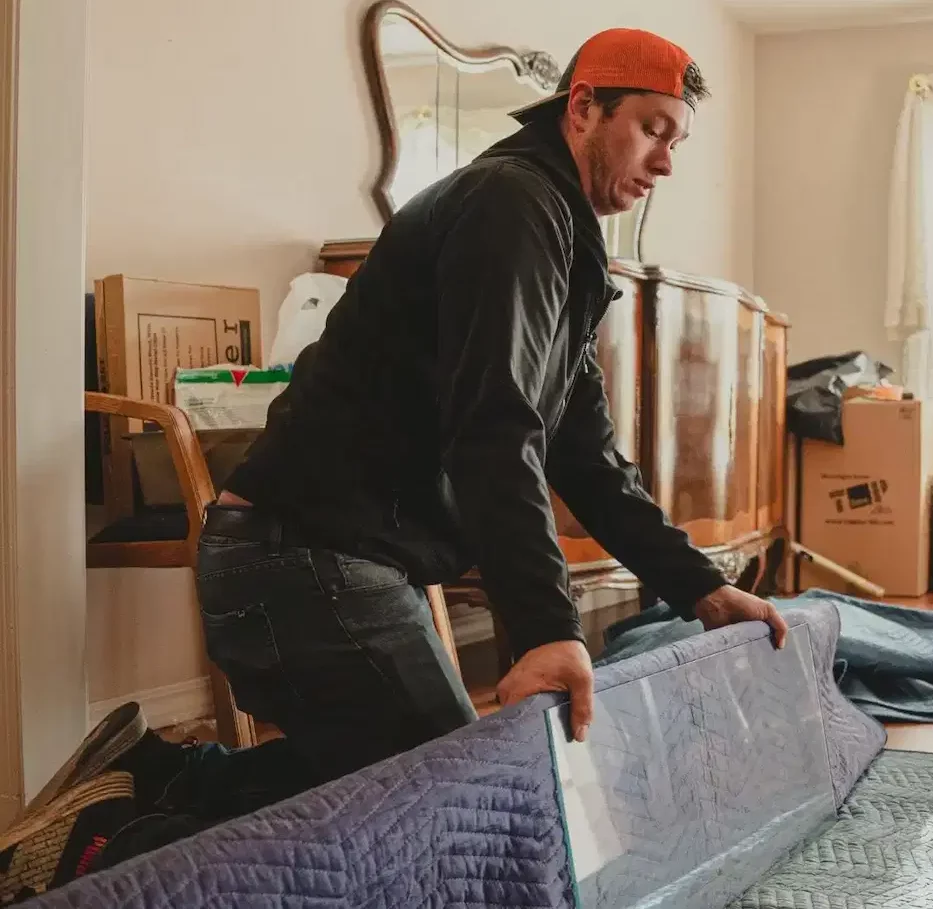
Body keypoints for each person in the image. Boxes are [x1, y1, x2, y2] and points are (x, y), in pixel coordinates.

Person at [0, 27, 788, 900]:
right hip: (302, 561)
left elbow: (585, 455)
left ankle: (156, 787)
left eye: (677, 140)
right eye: (652, 129)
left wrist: (700, 587)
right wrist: (545, 629)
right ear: (583, 107)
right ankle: (101, 854)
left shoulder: (559, 234)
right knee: (464, 806)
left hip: (317, 558)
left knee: (393, 794)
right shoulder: (514, 205)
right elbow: (498, 428)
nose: (665, 161)